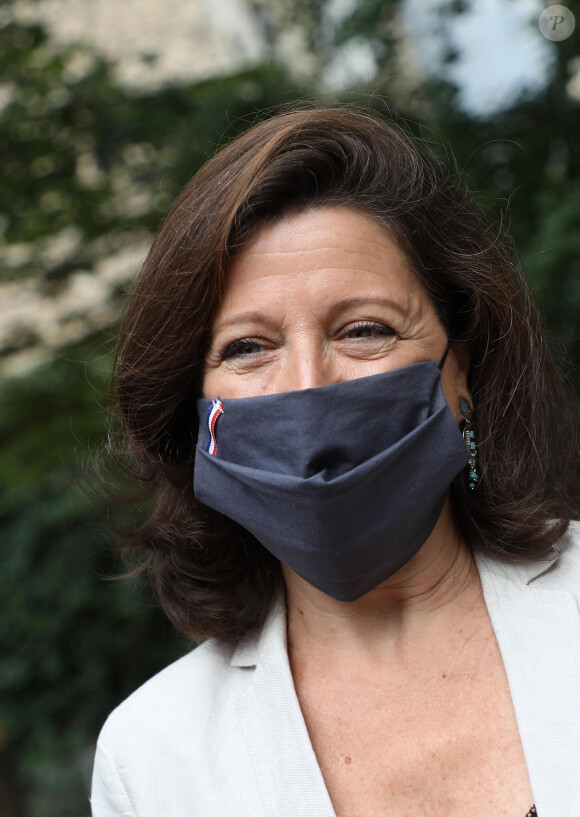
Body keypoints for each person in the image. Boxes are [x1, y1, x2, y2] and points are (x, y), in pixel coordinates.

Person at [91, 107, 579, 817]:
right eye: (247, 347)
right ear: (193, 410)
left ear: (461, 369)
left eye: (364, 330)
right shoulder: (154, 759)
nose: (309, 386)